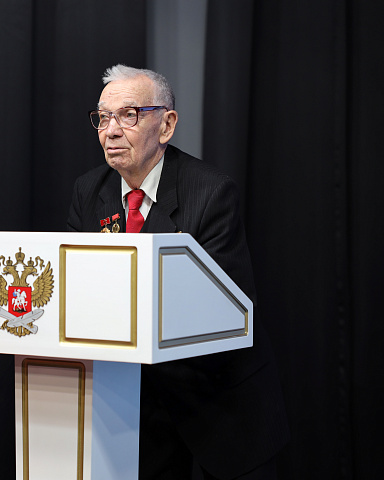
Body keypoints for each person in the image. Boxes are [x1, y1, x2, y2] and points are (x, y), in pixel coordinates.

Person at [67, 65, 289, 479]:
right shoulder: (89, 192)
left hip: (218, 405)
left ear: (166, 125)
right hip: (134, 412)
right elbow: (74, 287)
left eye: (128, 115)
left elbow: (223, 312)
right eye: (103, 117)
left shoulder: (211, 192)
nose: (111, 131)